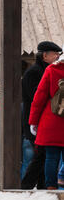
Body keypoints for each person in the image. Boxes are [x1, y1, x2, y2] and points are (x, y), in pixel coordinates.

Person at [21, 41, 62, 189]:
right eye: (55, 54)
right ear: (45, 55)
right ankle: (27, 186)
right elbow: (36, 99)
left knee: (43, 155)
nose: (58, 56)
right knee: (39, 155)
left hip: (43, 121)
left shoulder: (47, 70)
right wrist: (34, 122)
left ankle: (41, 185)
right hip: (35, 122)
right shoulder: (35, 72)